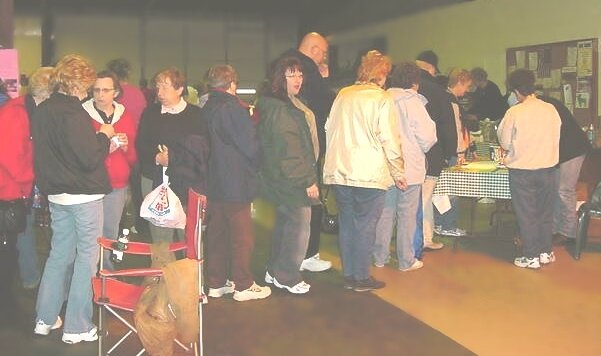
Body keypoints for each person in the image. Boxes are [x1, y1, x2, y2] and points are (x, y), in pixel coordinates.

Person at [31, 54, 115, 343]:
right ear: (80, 84)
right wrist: (105, 136)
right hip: (83, 195)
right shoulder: (74, 112)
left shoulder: (43, 109)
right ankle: (78, 325)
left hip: (57, 193)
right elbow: (89, 158)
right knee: (86, 259)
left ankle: (45, 318)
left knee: (58, 255)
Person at [323, 50, 406, 292]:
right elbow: (390, 140)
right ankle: (361, 277)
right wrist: (399, 173)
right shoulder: (381, 98)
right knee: (366, 224)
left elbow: (329, 128)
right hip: (368, 174)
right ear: (382, 75)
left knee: (347, 223)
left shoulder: (343, 95)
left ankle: (349, 274)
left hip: (340, 172)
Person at [203, 64, 271, 302]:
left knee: (217, 234)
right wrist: (258, 165)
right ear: (232, 84)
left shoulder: (207, 106)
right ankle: (243, 284)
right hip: (236, 182)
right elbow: (249, 146)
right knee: (242, 237)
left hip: (214, 181)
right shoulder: (234, 109)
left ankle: (216, 282)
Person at [257, 56, 319, 295]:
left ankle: (274, 271)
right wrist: (308, 181)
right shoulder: (283, 110)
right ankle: (288, 276)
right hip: (292, 180)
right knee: (298, 228)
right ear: (279, 78)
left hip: (280, 178)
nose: (298, 79)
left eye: (300, 74)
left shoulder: (278, 105)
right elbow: (291, 150)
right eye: (291, 74)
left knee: (284, 227)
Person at [373, 61, 437, 271]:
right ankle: (406, 260)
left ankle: (379, 257)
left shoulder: (382, 98)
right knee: (407, 216)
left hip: (386, 166)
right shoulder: (413, 102)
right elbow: (427, 136)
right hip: (410, 167)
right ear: (415, 81)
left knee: (385, 213)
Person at [281, 32, 335, 272]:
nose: (323, 58)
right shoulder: (309, 69)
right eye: (322, 53)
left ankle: (295, 258)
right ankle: (305, 256)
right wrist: (324, 80)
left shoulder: (283, 62)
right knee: (308, 204)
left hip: (289, 151)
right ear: (313, 50)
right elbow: (325, 102)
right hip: (306, 147)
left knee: (293, 208)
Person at [136, 67, 208, 244]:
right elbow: (140, 144)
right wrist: (156, 157)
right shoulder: (150, 113)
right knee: (160, 235)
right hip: (154, 179)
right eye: (158, 87)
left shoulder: (196, 115)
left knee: (187, 234)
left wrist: (173, 158)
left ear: (180, 89)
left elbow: (201, 150)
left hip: (186, 180)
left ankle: (187, 270)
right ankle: (161, 270)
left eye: (165, 87)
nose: (159, 92)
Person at [497, 69, 561, 269]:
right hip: (550, 169)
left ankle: (531, 256)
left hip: (523, 171)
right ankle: (545, 252)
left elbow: (505, 142)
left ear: (516, 91)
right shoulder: (550, 108)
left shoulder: (514, 112)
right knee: (545, 213)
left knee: (527, 215)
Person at [507, 92, 590, 244]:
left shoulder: (542, 107)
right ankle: (554, 230)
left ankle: (568, 232)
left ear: (518, 96)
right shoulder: (540, 103)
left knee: (564, 190)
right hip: (561, 151)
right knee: (556, 190)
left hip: (572, 149)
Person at [0, 67, 53, 301]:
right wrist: (31, 177)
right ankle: (26, 282)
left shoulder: (26, 110)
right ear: (45, 94)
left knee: (22, 235)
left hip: (19, 187)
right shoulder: (17, 113)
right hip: (12, 188)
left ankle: (28, 279)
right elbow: (9, 156)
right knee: (19, 236)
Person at [82, 70, 137, 270]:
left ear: (115, 92)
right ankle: (89, 274)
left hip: (117, 184)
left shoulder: (125, 116)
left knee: (111, 232)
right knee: (91, 233)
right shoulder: (82, 114)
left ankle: (107, 272)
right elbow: (81, 153)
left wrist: (126, 147)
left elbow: (133, 158)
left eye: (106, 90)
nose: (100, 94)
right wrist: (104, 148)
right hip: (91, 183)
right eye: (96, 90)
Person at [415, 50, 457, 247]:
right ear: (431, 69)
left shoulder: (396, 89)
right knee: (425, 197)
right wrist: (449, 153)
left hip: (402, 154)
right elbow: (448, 126)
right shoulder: (438, 92)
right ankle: (423, 238)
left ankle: (409, 238)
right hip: (431, 153)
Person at [106, 58, 147, 235]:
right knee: (138, 191)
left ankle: (118, 225)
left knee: (115, 191)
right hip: (135, 147)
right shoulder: (137, 94)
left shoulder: (112, 94)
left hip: (113, 150)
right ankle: (140, 224)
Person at [434, 68, 473, 237]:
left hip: (443, 151)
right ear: (459, 82)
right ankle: (448, 225)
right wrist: (460, 152)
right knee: (452, 191)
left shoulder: (442, 98)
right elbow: (455, 130)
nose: (467, 90)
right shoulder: (451, 102)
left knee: (442, 191)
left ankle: (439, 223)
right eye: (467, 86)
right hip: (452, 153)